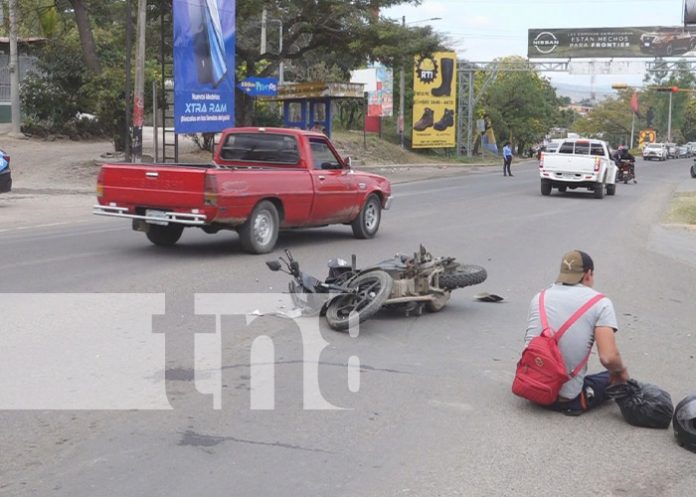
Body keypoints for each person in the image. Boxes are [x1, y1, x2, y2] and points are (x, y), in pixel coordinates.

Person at [523, 250, 629, 416]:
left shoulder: (539, 297)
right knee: (612, 377)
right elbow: (609, 358)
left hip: (531, 389)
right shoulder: (601, 303)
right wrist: (621, 372)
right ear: (588, 274)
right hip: (566, 400)